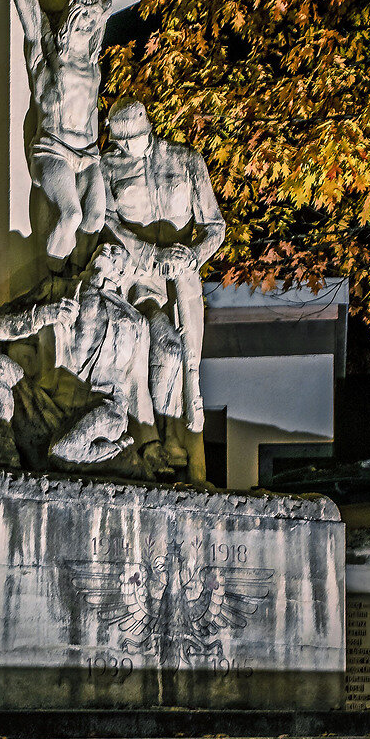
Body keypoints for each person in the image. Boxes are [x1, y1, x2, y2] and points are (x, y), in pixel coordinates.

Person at [0, 0, 140, 262]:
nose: (90, 23)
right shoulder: (44, 48)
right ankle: (54, 279)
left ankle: (80, 280)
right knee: (71, 215)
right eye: (84, 16)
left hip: (87, 155)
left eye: (94, 19)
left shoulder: (91, 57)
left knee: (96, 220)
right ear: (71, 17)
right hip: (52, 150)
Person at [101, 98, 226, 480]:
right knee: (163, 346)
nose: (125, 147)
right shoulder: (108, 167)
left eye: (132, 138)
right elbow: (105, 220)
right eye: (119, 140)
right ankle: (151, 438)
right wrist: (145, 252)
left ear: (147, 130)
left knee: (187, 362)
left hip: (182, 279)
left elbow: (215, 227)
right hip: (136, 278)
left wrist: (192, 255)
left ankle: (173, 437)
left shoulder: (186, 161)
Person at [0, 241, 178, 475]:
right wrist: (43, 314)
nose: (107, 248)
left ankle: (114, 451)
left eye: (116, 252)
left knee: (65, 450)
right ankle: (2, 450)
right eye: (104, 247)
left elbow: (138, 386)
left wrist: (151, 445)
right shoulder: (56, 288)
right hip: (48, 407)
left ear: (123, 272)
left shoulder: (135, 321)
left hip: (102, 413)